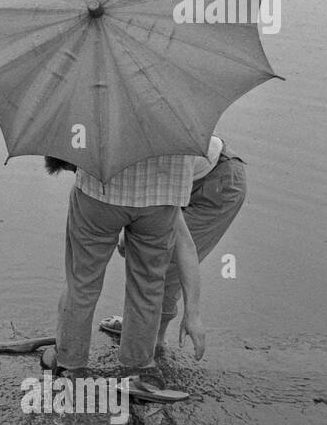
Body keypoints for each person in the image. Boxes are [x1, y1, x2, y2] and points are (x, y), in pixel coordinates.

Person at [44, 152, 205, 401]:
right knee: (148, 287)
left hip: (99, 191)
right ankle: (138, 372)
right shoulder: (181, 111)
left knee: (82, 283)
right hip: (162, 194)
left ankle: (70, 367)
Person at [101, 134, 247, 352]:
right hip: (181, 176)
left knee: (167, 259)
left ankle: (155, 340)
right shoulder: (115, 147)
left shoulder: (144, 153)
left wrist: (192, 313)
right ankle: (142, 327)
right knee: (148, 251)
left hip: (218, 184)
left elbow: (184, 246)